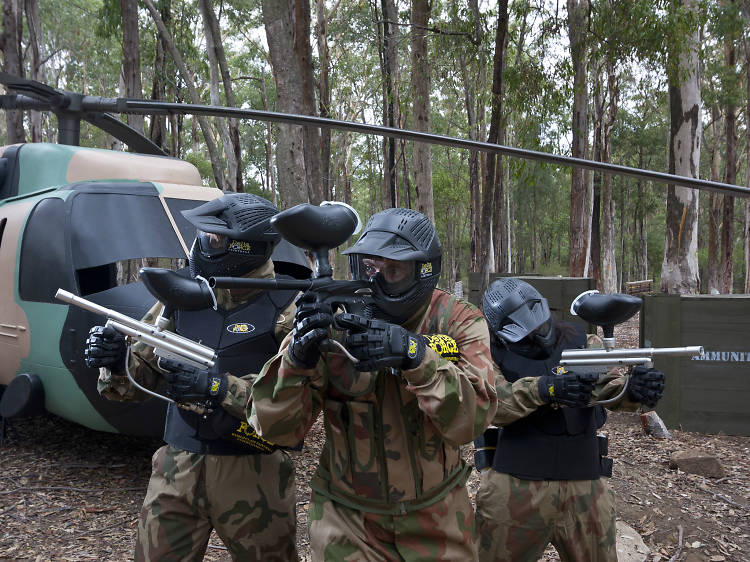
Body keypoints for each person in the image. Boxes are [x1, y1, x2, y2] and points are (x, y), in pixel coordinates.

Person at [249, 207, 498, 561]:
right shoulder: (335, 316)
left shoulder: (457, 320)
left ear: (423, 271)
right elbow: (272, 427)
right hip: (347, 519)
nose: (377, 280)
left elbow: (473, 420)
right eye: (370, 268)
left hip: (438, 517)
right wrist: (297, 360)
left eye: (393, 270)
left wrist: (414, 356)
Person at [84, 193, 300, 561]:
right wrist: (117, 362)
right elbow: (135, 382)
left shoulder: (288, 307)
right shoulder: (179, 295)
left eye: (214, 238)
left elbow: (292, 403)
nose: (202, 245)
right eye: (203, 235)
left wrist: (218, 387)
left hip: (254, 472)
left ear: (247, 247)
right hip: (176, 467)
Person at [474, 277, 666, 562]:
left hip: (585, 486)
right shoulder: (488, 351)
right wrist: (546, 388)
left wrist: (634, 390)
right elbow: (492, 404)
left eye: (541, 325)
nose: (539, 334)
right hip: (515, 487)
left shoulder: (582, 341)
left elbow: (607, 388)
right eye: (529, 331)